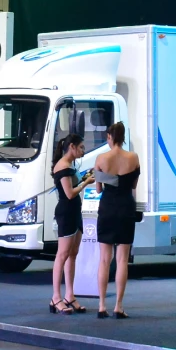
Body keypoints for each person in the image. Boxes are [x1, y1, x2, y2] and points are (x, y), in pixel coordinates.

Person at [92, 122, 140, 318]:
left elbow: (98, 189)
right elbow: (133, 185)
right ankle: (118, 306)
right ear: (123, 137)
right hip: (126, 207)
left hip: (108, 208)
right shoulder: (133, 157)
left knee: (104, 259)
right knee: (122, 260)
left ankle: (102, 305)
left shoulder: (101, 158)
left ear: (109, 137)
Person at [49, 134, 92, 314]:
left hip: (75, 212)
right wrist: (86, 183)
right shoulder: (63, 166)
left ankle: (69, 295)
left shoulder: (70, 166)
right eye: (81, 147)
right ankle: (55, 297)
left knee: (72, 254)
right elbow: (69, 194)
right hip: (66, 213)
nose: (83, 151)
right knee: (62, 254)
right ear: (72, 147)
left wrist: (83, 179)